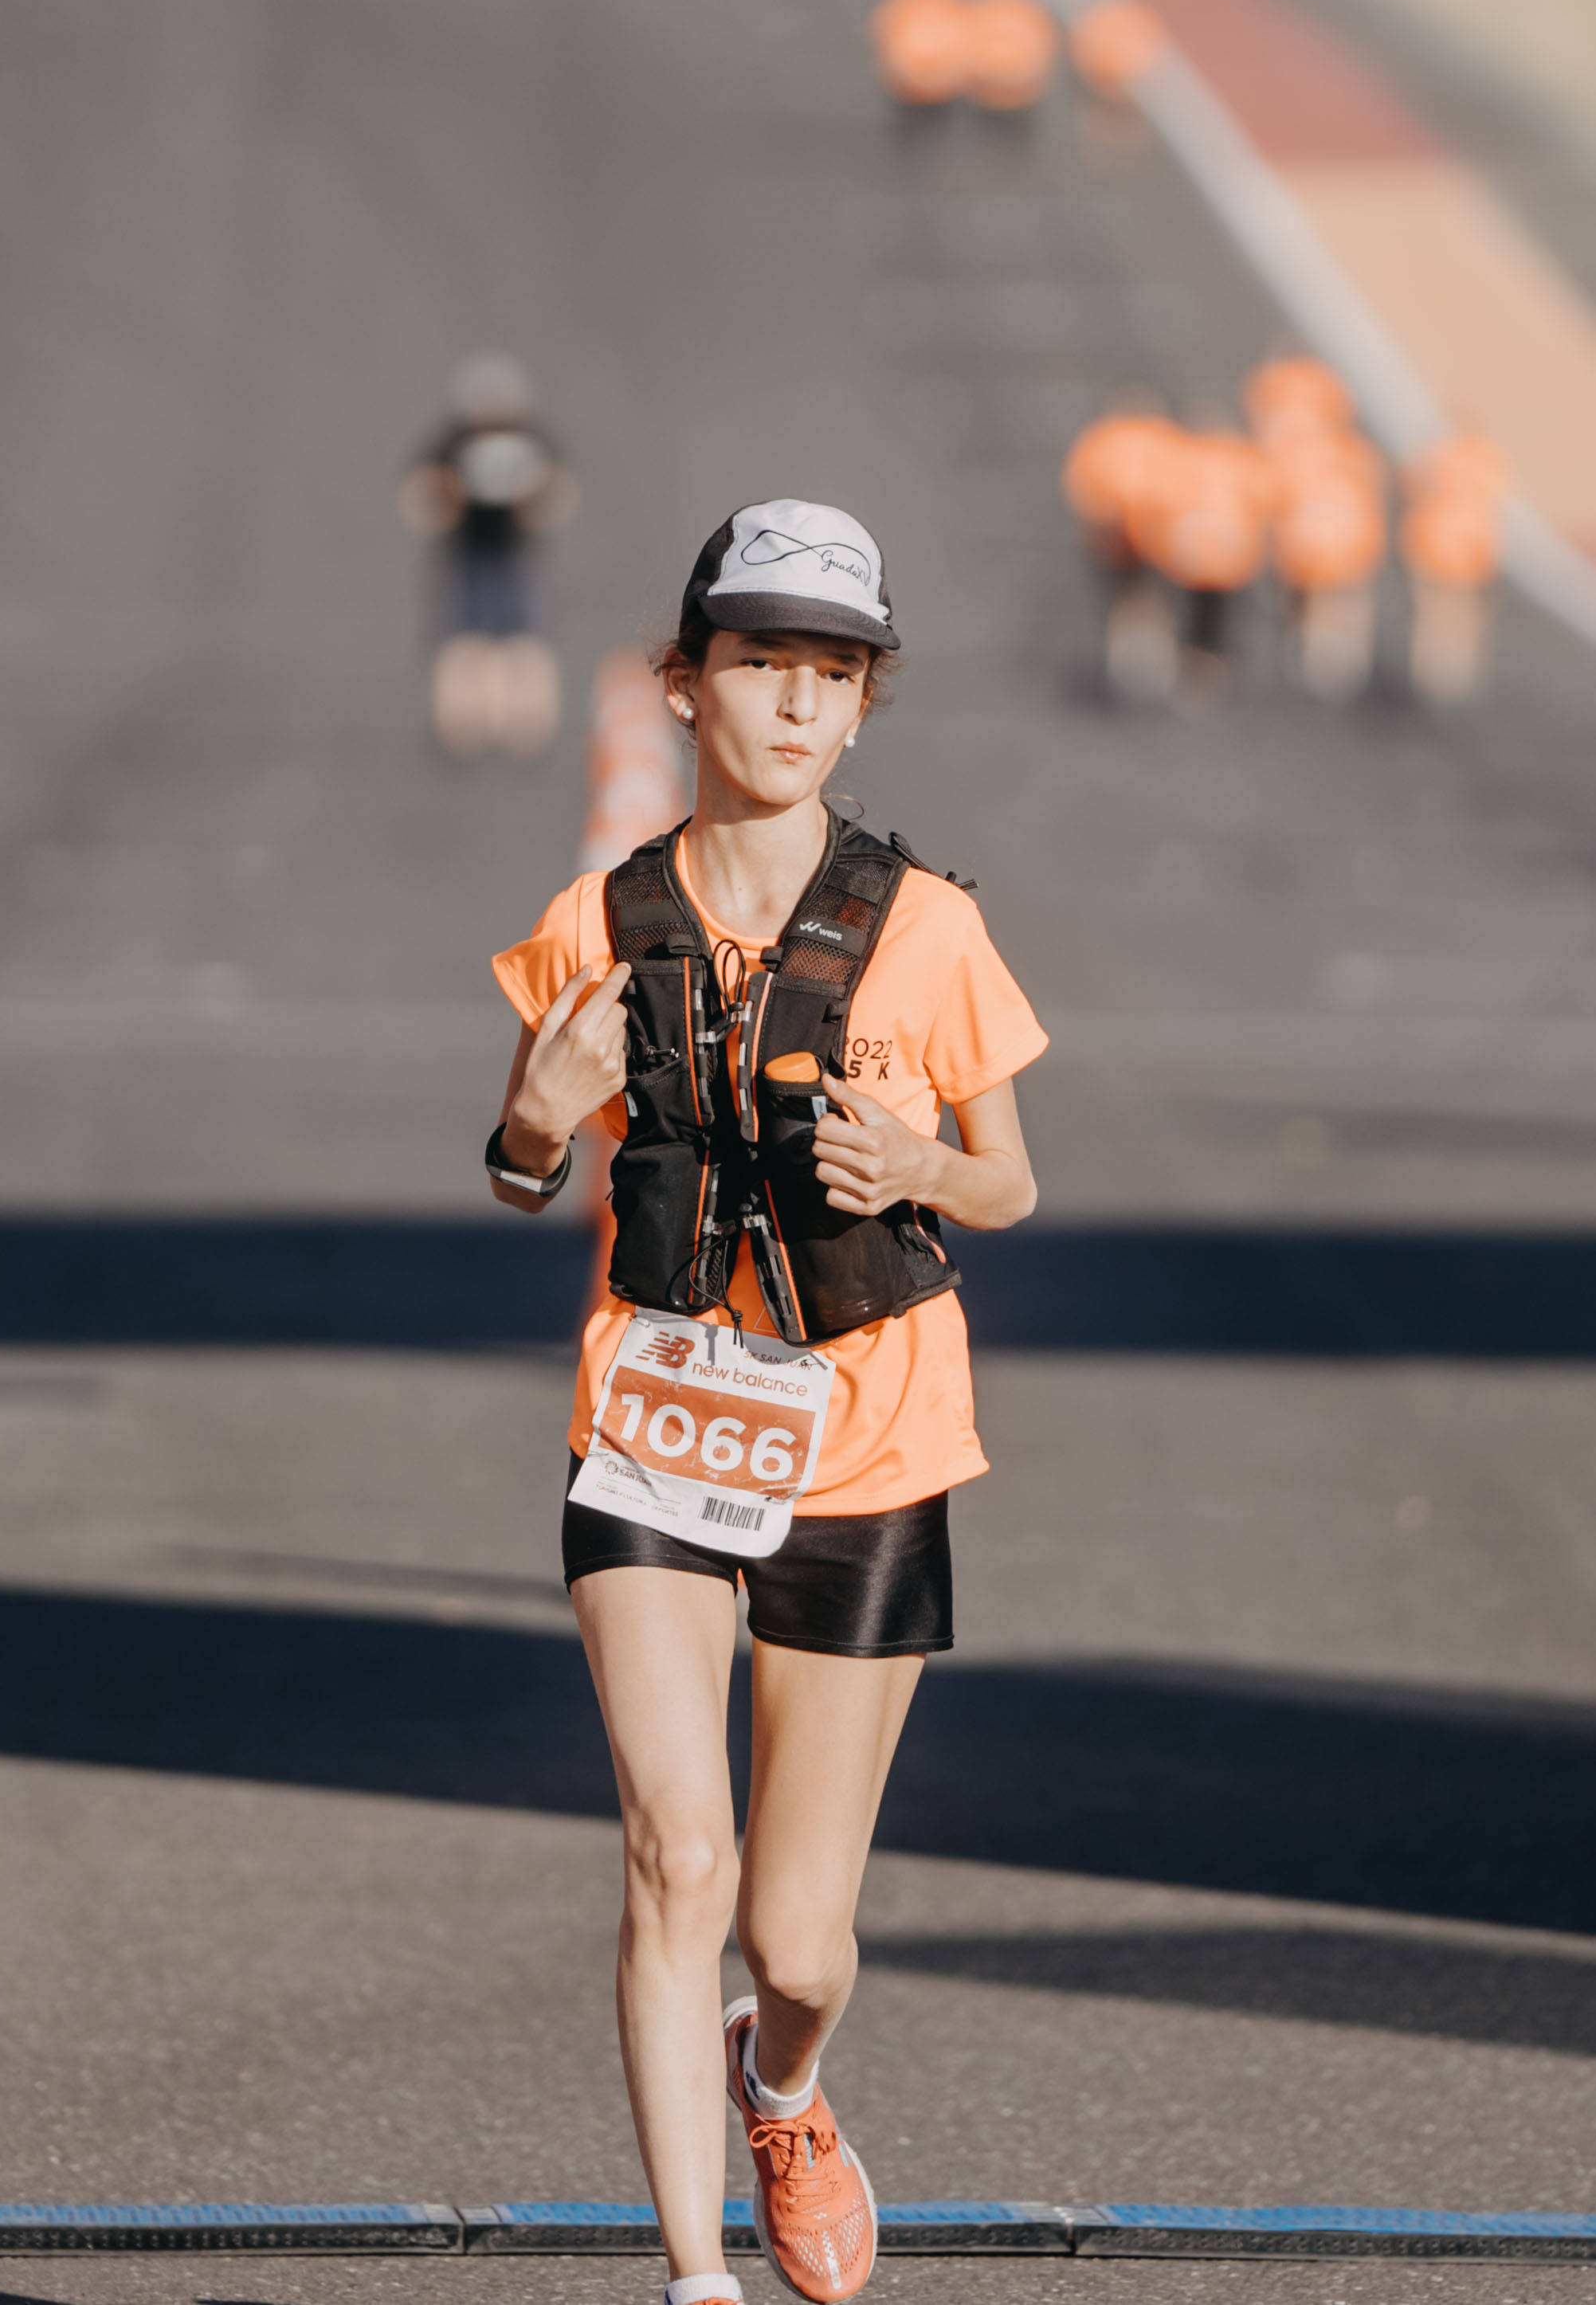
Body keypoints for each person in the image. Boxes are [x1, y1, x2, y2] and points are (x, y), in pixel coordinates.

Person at [485, 501, 1048, 2305]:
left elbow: (1010, 1182)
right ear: (684, 679)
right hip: (655, 1424)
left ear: (864, 703)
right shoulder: (598, 916)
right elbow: (514, 1168)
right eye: (757, 661)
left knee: (796, 1932)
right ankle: (691, 2275)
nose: (793, 702)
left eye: (831, 671)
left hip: (868, 1436)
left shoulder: (931, 927)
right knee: (679, 1847)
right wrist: (531, 1112)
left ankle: (784, 2081)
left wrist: (921, 1162)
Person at [402, 355, 573, 760]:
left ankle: (525, 728)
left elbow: (559, 494)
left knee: (523, 644)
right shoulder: (453, 446)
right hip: (469, 556)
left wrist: (533, 494)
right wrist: (449, 494)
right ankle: (462, 728)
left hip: (514, 556)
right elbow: (418, 500)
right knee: (464, 644)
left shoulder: (532, 442)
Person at [1245, 356, 1388, 706]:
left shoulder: (1340, 454)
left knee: (1336, 598)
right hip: (1323, 536)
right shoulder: (1337, 453)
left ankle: (1333, 651)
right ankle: (1327, 651)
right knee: (1327, 597)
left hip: (1334, 534)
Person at [1124, 406, 1272, 708]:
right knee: (1215, 621)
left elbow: (1157, 504)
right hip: (1228, 557)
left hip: (1188, 557)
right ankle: (1208, 675)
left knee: (1190, 618)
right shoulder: (1240, 461)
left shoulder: (1181, 461)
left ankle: (1193, 674)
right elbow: (1264, 503)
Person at [1060, 390, 1183, 707]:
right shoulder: (1159, 439)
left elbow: (1082, 485)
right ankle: (1142, 666)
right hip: (1140, 538)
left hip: (1133, 537)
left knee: (1133, 602)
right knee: (1143, 602)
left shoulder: (1106, 440)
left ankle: (1137, 666)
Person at [1398, 429, 1508, 703]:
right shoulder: (1484, 460)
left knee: (1437, 610)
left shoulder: (1434, 457)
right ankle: (1451, 668)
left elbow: (1411, 490)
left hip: (1442, 544)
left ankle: (1434, 667)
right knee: (1458, 611)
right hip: (1462, 546)